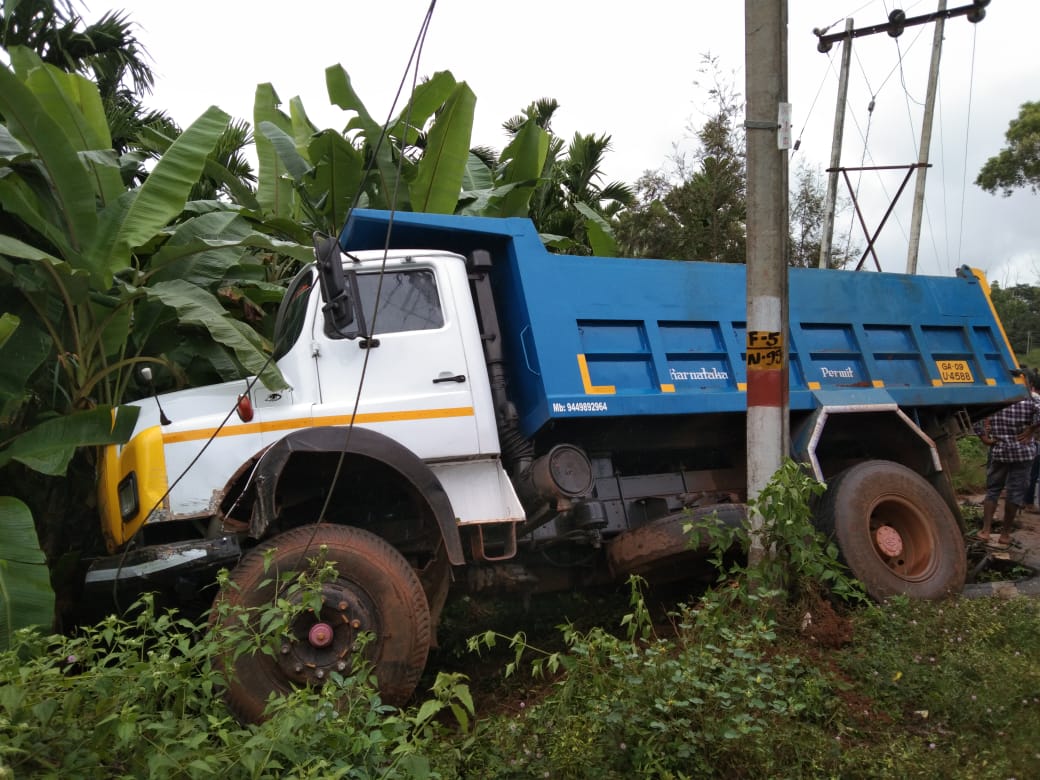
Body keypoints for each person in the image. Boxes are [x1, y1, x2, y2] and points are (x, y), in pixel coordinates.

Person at [976, 389, 1040, 545]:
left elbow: (976, 417)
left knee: (993, 490)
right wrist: (1032, 429)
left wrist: (984, 438)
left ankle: (986, 531)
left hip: (1000, 451)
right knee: (1015, 492)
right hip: (1023, 453)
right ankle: (1005, 535)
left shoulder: (995, 397)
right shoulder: (1031, 399)